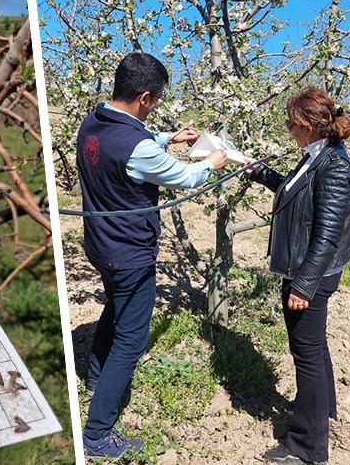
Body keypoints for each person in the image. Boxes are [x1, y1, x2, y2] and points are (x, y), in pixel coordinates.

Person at [76, 52, 228, 458]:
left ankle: (94, 375)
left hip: (100, 244)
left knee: (116, 307)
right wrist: (212, 162)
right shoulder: (136, 147)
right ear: (145, 97)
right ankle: (96, 435)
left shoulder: (93, 123)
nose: (157, 105)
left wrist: (168, 138)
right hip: (129, 252)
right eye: (156, 99)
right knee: (132, 340)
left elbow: (128, 145)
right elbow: (185, 177)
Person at [247, 87, 350, 465]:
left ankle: (308, 447)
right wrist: (261, 173)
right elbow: (297, 194)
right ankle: (323, 413)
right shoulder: (315, 156)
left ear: (311, 127)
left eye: (292, 124)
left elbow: (327, 234)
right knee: (314, 347)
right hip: (308, 268)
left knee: (306, 353)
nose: (288, 130)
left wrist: (304, 284)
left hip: (311, 271)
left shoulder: (334, 167)